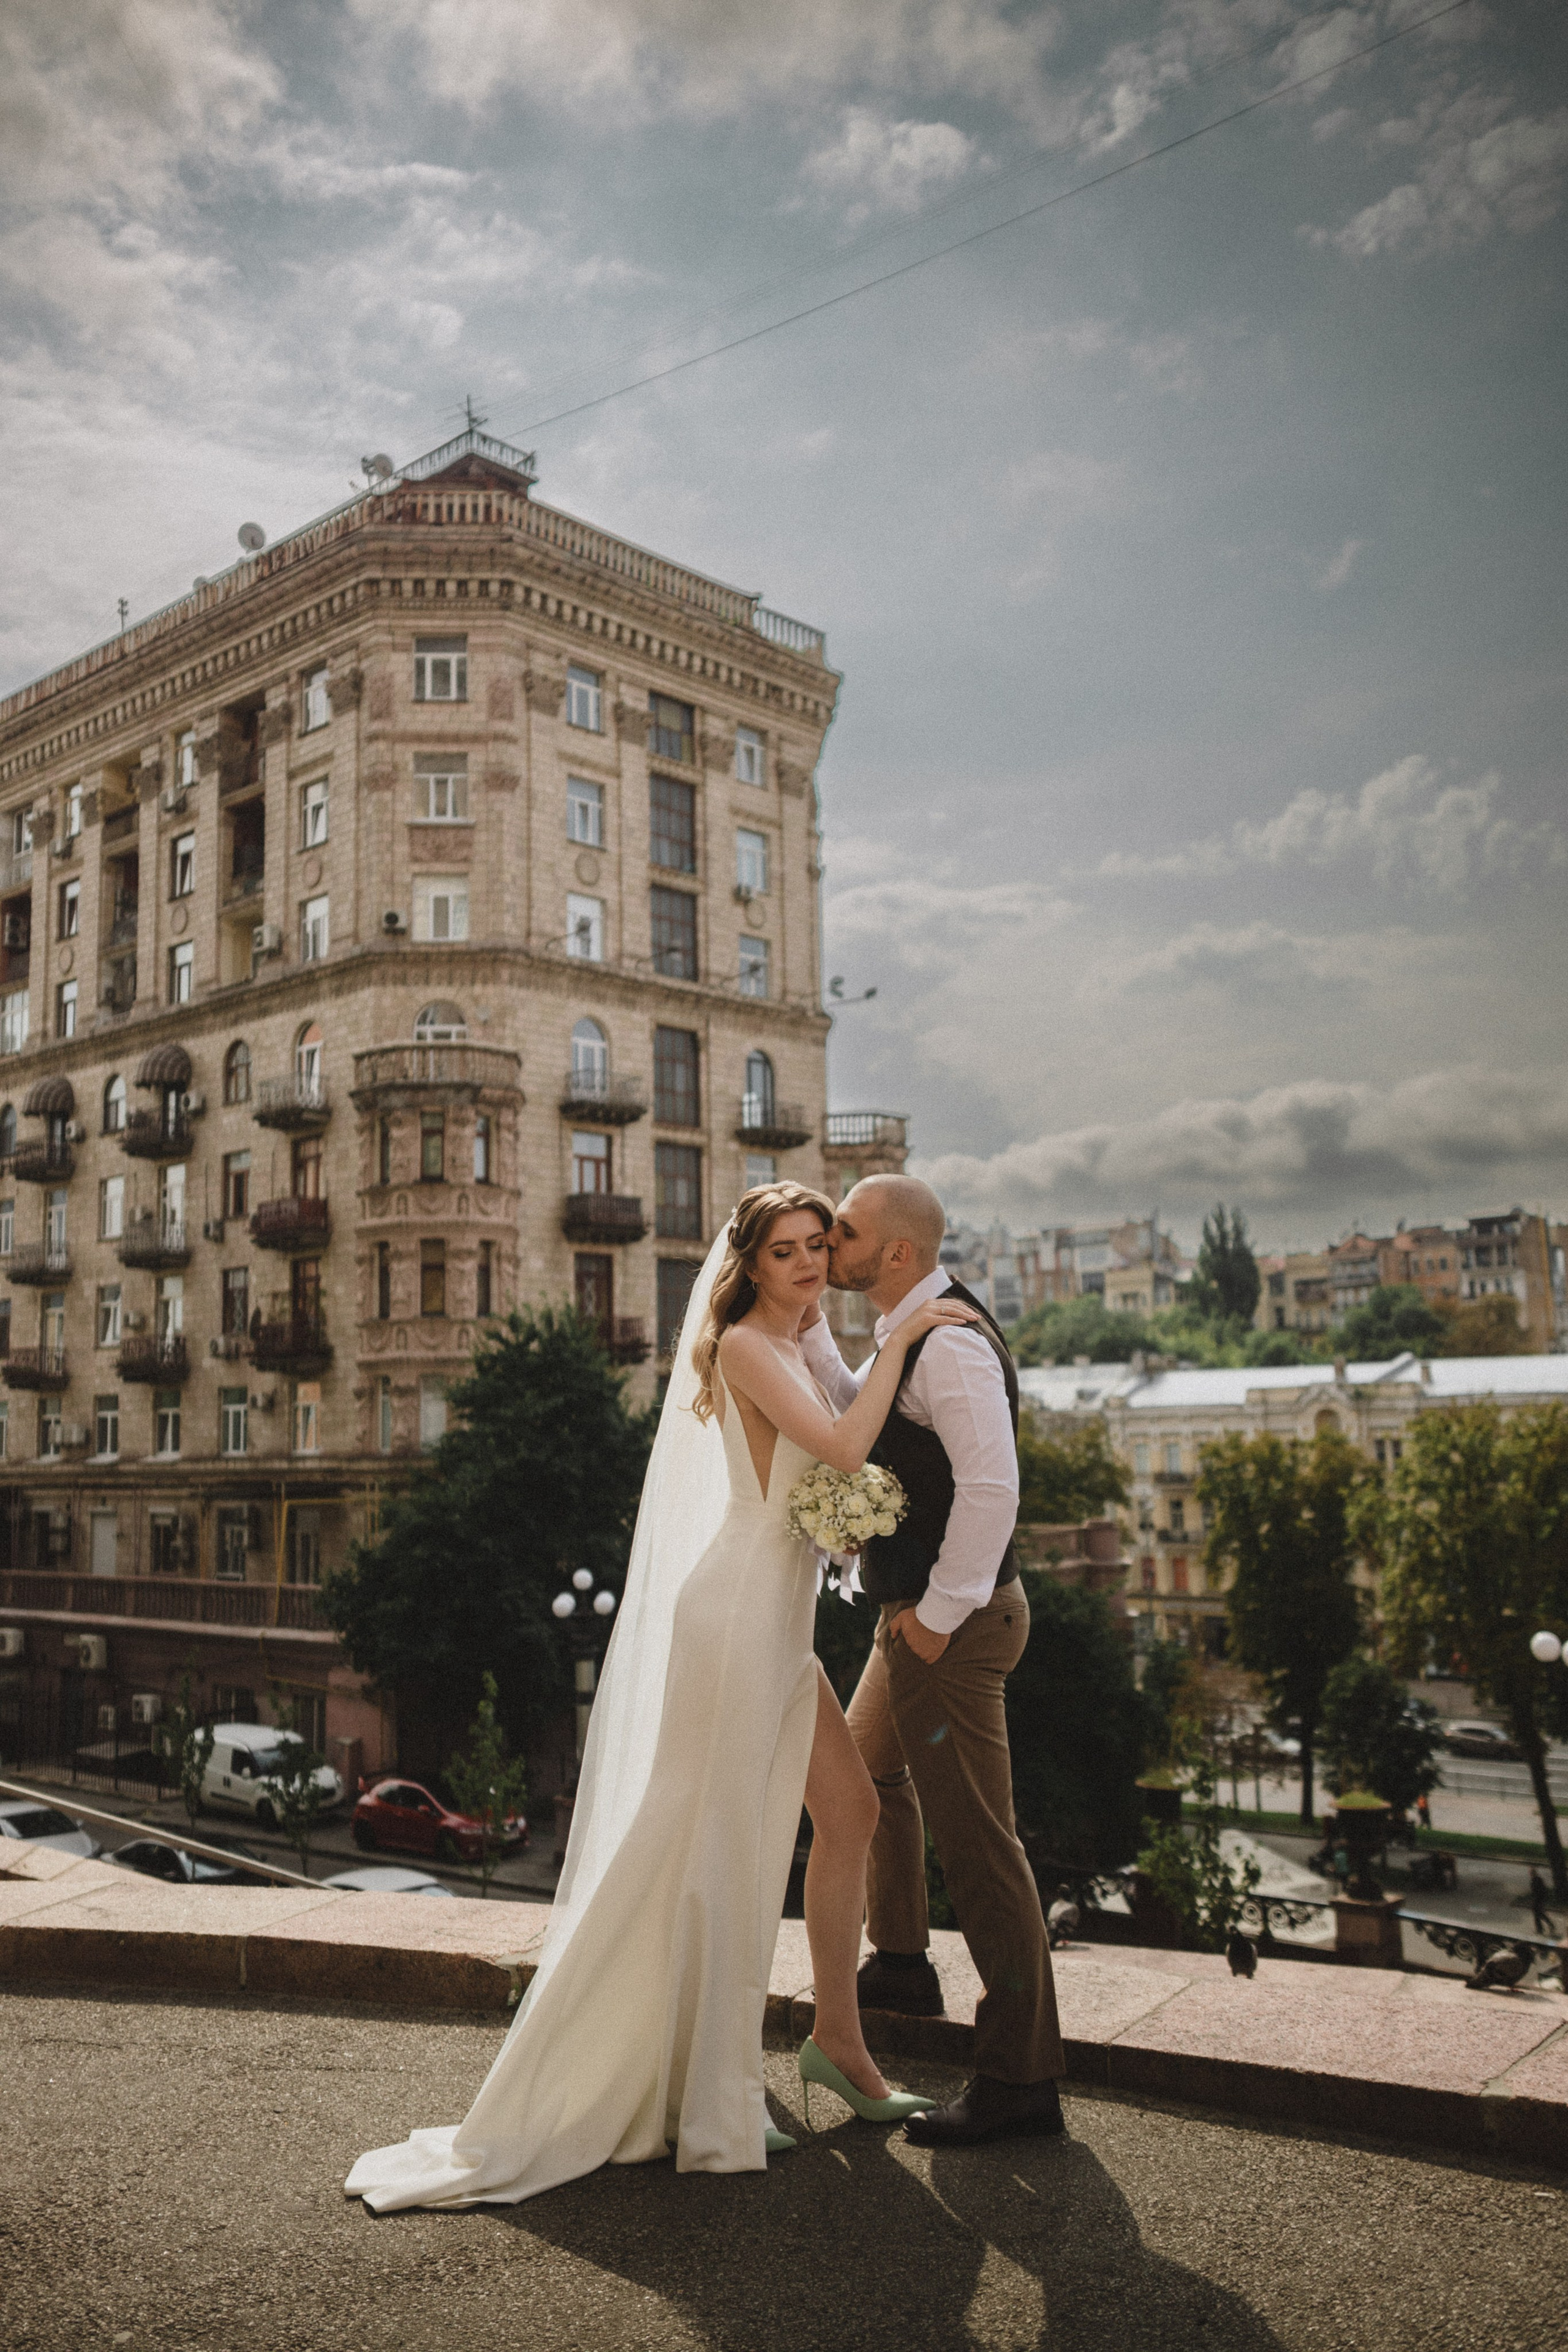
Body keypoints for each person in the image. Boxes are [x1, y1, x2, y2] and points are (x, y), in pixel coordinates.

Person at [344, 1182, 976, 2211]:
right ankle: (703, 2087)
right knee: (705, 1845)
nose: (810, 1264)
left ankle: (834, 2042)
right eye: (786, 1252)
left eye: (821, 1246)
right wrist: (905, 1343)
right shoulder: (740, 1347)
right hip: (732, 1620)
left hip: (774, 1620)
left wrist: (838, 1520)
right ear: (750, 1265)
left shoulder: (790, 1342)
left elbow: (811, 1479)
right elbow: (849, 1444)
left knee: (851, 1809)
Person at [799, 1173, 1068, 2147]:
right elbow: (853, 1409)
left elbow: (993, 1492)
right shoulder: (904, 1332)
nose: (832, 1240)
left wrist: (939, 1619)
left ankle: (1020, 2080)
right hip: (915, 1620)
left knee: (983, 1845)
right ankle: (904, 1960)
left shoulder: (948, 1346)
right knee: (865, 1774)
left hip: (952, 1629)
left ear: (898, 1255)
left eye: (848, 1231)